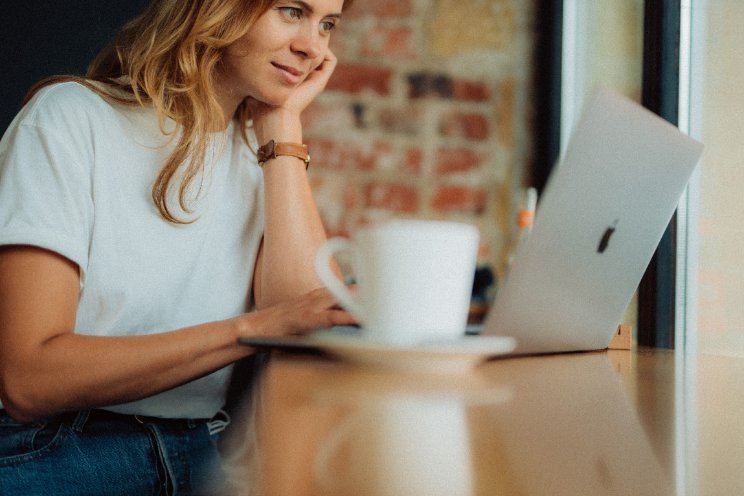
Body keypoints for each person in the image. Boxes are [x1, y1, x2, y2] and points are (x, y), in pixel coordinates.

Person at [0, 0, 356, 494]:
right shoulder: (70, 120)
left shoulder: (264, 159)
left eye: (328, 25)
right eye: (291, 11)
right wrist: (251, 329)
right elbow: (28, 379)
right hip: (54, 453)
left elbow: (304, 322)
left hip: (197, 454)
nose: (312, 47)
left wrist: (283, 130)